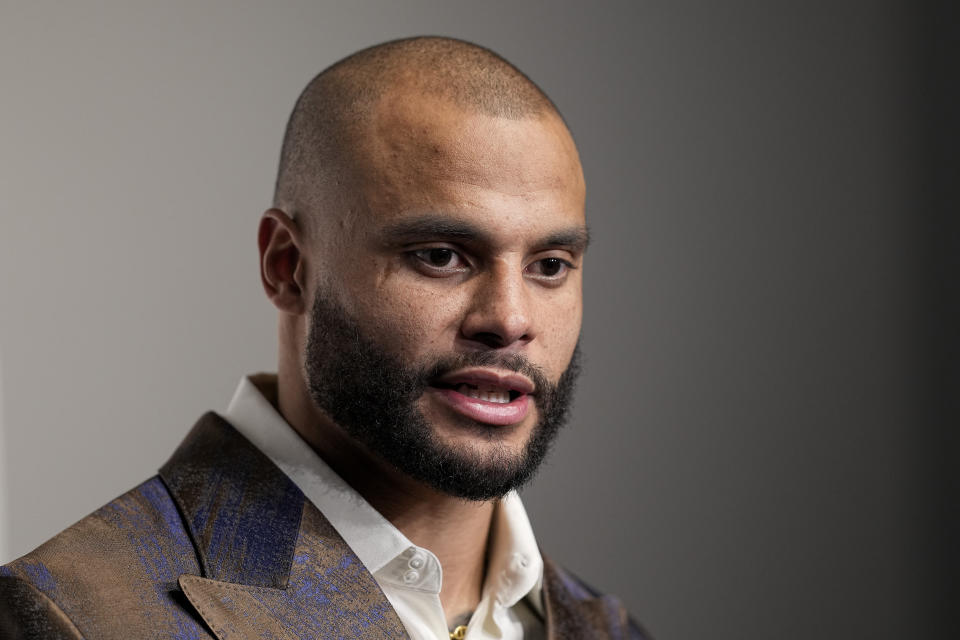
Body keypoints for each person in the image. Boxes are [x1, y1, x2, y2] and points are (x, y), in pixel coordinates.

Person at [0, 36, 647, 639]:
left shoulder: (611, 629)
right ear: (288, 266)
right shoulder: (73, 616)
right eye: (441, 256)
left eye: (550, 266)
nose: (510, 319)